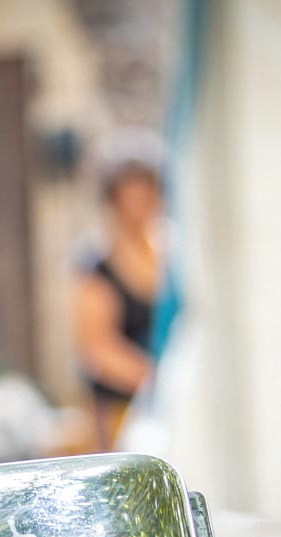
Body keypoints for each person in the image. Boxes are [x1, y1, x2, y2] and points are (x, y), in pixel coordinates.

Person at [72, 149, 163, 448]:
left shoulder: (174, 253)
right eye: (130, 197)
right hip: (121, 409)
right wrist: (157, 380)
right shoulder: (96, 264)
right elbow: (97, 349)